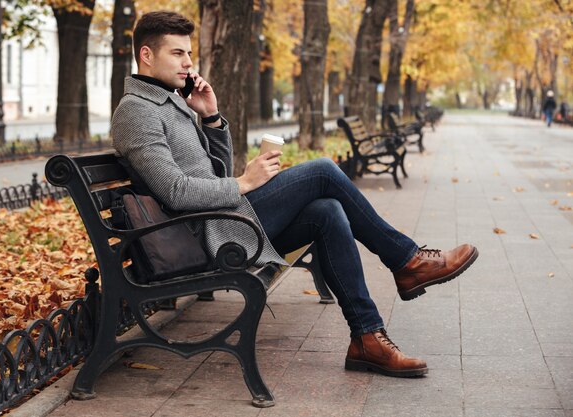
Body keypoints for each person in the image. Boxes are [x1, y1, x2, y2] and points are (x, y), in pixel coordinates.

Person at [111, 11, 479, 378]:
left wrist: (210, 117)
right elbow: (175, 192)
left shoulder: (171, 102)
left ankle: (367, 337)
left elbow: (212, 172)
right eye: (178, 53)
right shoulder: (137, 111)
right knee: (322, 170)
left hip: (222, 221)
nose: (188, 63)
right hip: (207, 235)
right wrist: (245, 183)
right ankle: (407, 261)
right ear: (146, 55)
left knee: (327, 210)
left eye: (189, 54)